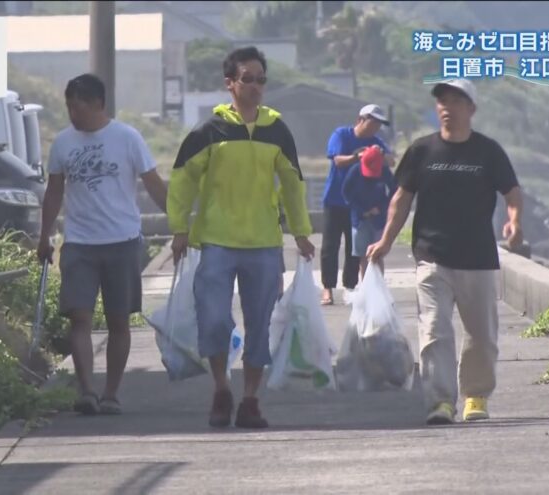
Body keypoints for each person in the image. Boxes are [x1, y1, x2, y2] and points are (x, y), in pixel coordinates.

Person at [168, 46, 315, 429]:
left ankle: (250, 400)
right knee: (214, 320)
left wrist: (300, 232)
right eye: (247, 79)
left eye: (261, 80)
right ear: (229, 84)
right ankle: (221, 388)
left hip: (264, 244)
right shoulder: (209, 131)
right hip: (216, 242)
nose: (255, 87)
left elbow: (293, 185)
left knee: (260, 325)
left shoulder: (277, 131)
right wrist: (179, 228)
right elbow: (182, 179)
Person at [366, 78, 523, 425]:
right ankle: (440, 401)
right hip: (431, 256)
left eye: (455, 101)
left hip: (478, 258)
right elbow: (401, 199)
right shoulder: (422, 150)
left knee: (481, 336)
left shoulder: (487, 151)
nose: (446, 108)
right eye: (442, 102)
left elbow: (512, 191)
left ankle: (476, 396)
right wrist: (386, 240)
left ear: (471, 109)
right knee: (434, 331)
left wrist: (514, 222)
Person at [37, 73, 168, 416]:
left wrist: (180, 221)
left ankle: (111, 392)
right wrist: (45, 234)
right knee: (79, 316)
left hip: (122, 241)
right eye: (68, 106)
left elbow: (153, 183)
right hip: (79, 242)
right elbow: (54, 192)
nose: (71, 112)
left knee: (118, 320)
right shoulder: (63, 142)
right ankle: (86, 390)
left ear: (96, 103)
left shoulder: (127, 137)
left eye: (76, 105)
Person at [321, 104, 394, 305]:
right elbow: (337, 160)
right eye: (373, 122)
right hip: (335, 199)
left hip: (359, 205)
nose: (376, 127)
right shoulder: (342, 134)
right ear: (361, 119)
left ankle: (350, 287)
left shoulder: (376, 141)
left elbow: (390, 161)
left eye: (379, 124)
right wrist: (357, 157)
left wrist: (378, 154)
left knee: (354, 248)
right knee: (330, 245)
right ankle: (327, 288)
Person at [341, 144, 397, 280]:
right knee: (363, 256)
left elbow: (394, 192)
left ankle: (379, 284)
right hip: (360, 219)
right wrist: (361, 211)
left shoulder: (384, 172)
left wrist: (381, 208)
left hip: (378, 219)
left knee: (377, 254)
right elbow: (346, 194)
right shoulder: (355, 171)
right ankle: (366, 285)